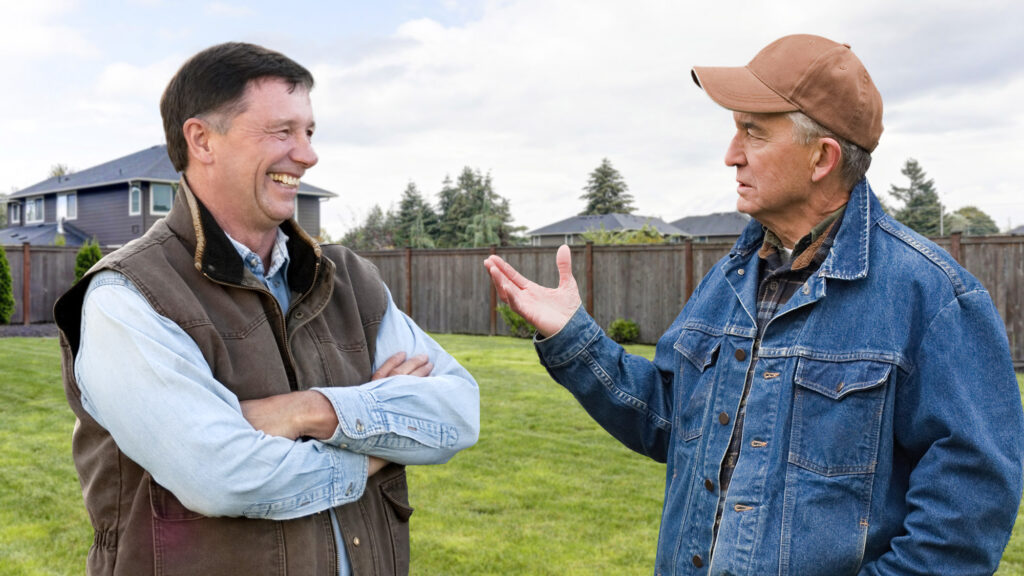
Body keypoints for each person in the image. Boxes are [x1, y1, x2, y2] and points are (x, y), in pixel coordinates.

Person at [484, 34, 1024, 574]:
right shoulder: (728, 281)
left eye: (753, 132)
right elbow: (671, 420)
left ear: (822, 158)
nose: (730, 154)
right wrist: (575, 338)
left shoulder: (934, 299)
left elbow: (967, 516)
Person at [55, 42, 479, 576]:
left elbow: (458, 412)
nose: (307, 154)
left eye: (309, 132)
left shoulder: (348, 278)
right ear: (202, 139)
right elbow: (222, 475)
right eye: (282, 132)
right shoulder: (129, 296)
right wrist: (380, 447)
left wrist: (307, 411)